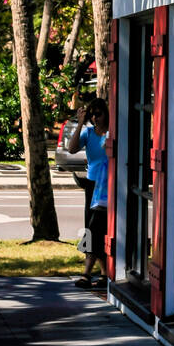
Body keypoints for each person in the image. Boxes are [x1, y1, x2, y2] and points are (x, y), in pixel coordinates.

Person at [68, 98, 109, 289]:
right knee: (91, 227)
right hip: (93, 185)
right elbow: (72, 148)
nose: (95, 118)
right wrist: (80, 123)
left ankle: (89, 273)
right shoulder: (89, 132)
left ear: (106, 114)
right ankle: (101, 273)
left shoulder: (111, 134)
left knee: (99, 228)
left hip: (109, 186)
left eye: (98, 114)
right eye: (92, 114)